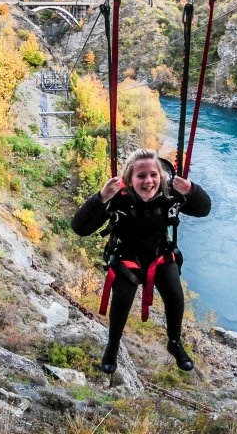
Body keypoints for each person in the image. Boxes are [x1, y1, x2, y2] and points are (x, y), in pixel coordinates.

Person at [72, 148, 211, 374]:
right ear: (129, 179)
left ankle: (174, 343)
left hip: (159, 254)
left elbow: (203, 209)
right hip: (127, 256)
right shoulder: (118, 197)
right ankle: (113, 345)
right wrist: (101, 198)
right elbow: (80, 228)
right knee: (122, 300)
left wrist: (191, 191)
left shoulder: (169, 193)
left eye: (153, 175)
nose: (149, 181)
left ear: (161, 176)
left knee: (175, 296)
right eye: (141, 176)